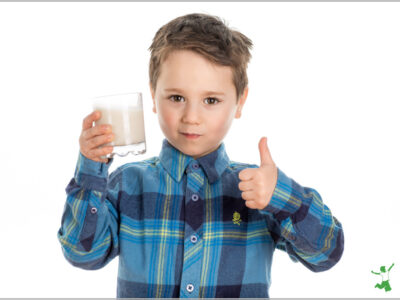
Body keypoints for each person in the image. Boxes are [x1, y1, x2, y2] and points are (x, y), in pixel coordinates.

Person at [57, 13, 344, 298]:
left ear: (240, 101)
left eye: (211, 100)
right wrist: (91, 172)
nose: (191, 118)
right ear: (153, 94)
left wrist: (284, 198)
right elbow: (83, 253)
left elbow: (326, 253)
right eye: (177, 98)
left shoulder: (258, 190)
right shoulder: (126, 183)